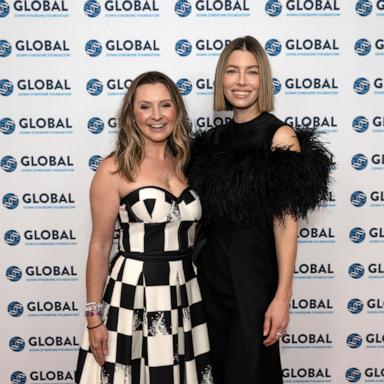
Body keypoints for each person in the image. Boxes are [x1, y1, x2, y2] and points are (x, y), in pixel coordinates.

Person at [187, 36, 334, 383]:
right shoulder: (210, 142)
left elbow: (285, 224)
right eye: (232, 71)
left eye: (251, 72)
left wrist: (282, 296)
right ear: (221, 79)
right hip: (208, 278)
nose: (241, 81)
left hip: (253, 281)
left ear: (263, 80)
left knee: (250, 372)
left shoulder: (279, 136)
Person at [75, 71, 213, 384]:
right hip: (132, 290)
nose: (156, 116)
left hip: (183, 288)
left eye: (165, 105)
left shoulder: (189, 164)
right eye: (145, 106)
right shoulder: (114, 169)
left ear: (177, 111)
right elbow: (99, 246)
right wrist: (94, 318)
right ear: (131, 114)